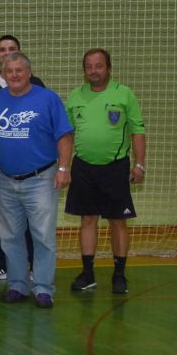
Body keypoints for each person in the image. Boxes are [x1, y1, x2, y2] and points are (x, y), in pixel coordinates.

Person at [0, 52, 73, 308]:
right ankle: (18, 285)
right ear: (3, 74)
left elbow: (64, 135)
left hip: (41, 179)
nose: (15, 75)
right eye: (9, 71)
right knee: (9, 237)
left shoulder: (47, 98)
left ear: (29, 72)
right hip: (4, 180)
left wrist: (64, 168)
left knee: (42, 235)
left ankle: (43, 288)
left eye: (20, 70)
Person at [65, 48, 146, 295]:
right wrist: (63, 166)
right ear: (84, 70)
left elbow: (137, 131)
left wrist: (139, 164)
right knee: (87, 219)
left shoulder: (124, 94)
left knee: (117, 221)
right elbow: (67, 135)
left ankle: (119, 274)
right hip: (83, 167)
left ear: (108, 68)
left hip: (116, 167)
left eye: (99, 65)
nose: (94, 71)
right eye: (89, 66)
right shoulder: (75, 96)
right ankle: (88, 274)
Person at [0, 35, 46, 284]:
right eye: (2, 50)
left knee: (33, 216)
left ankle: (34, 266)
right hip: (1, 165)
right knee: (3, 214)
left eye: (12, 49)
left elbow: (45, 123)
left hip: (34, 166)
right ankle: (1, 264)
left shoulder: (37, 85)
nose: (6, 53)